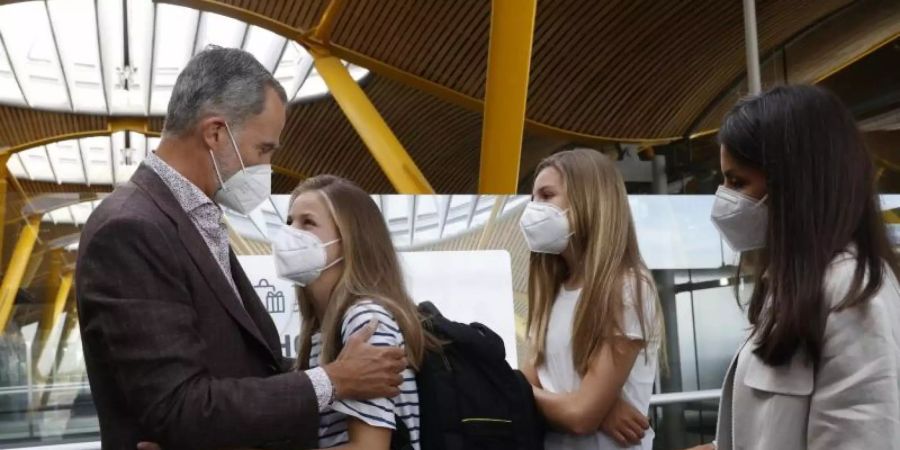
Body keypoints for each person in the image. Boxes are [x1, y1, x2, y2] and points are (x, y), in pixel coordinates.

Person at [75, 47, 406, 450]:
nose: (265, 166)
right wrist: (334, 380)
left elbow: (242, 369)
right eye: (263, 149)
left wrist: (330, 372)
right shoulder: (131, 228)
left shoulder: (193, 217)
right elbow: (177, 406)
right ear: (215, 133)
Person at [691, 85, 900, 450]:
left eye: (738, 181)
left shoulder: (852, 292)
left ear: (795, 184)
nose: (724, 197)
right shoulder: (795, 286)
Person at [272, 175, 440, 449]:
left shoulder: (365, 319)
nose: (290, 233)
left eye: (308, 223)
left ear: (350, 238)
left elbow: (369, 447)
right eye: (290, 222)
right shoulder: (323, 329)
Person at [520, 149, 665, 450]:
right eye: (534, 198)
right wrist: (599, 408)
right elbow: (532, 380)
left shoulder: (627, 287)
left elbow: (580, 416)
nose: (535, 208)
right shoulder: (555, 289)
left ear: (589, 199)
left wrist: (589, 408)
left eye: (547, 195)